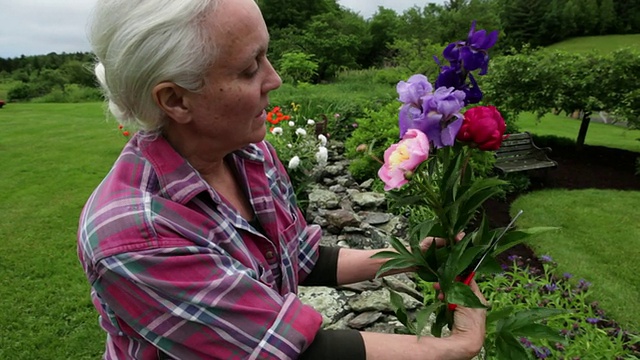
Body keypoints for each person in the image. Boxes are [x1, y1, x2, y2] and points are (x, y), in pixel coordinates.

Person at [77, 0, 487, 359]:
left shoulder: (249, 155)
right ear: (175, 100)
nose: (274, 79)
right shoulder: (136, 239)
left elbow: (297, 259)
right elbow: (283, 351)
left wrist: (410, 259)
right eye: (249, 67)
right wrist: (453, 347)